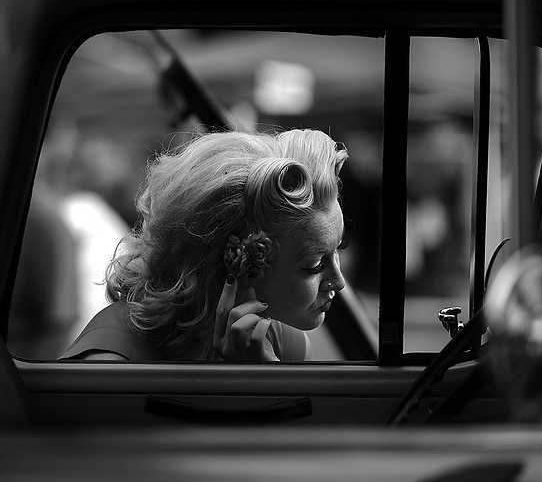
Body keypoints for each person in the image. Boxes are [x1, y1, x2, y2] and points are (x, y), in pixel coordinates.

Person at [59, 128, 348, 362]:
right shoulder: (109, 366)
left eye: (337, 251)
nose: (339, 282)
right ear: (236, 263)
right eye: (314, 264)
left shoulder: (279, 343)